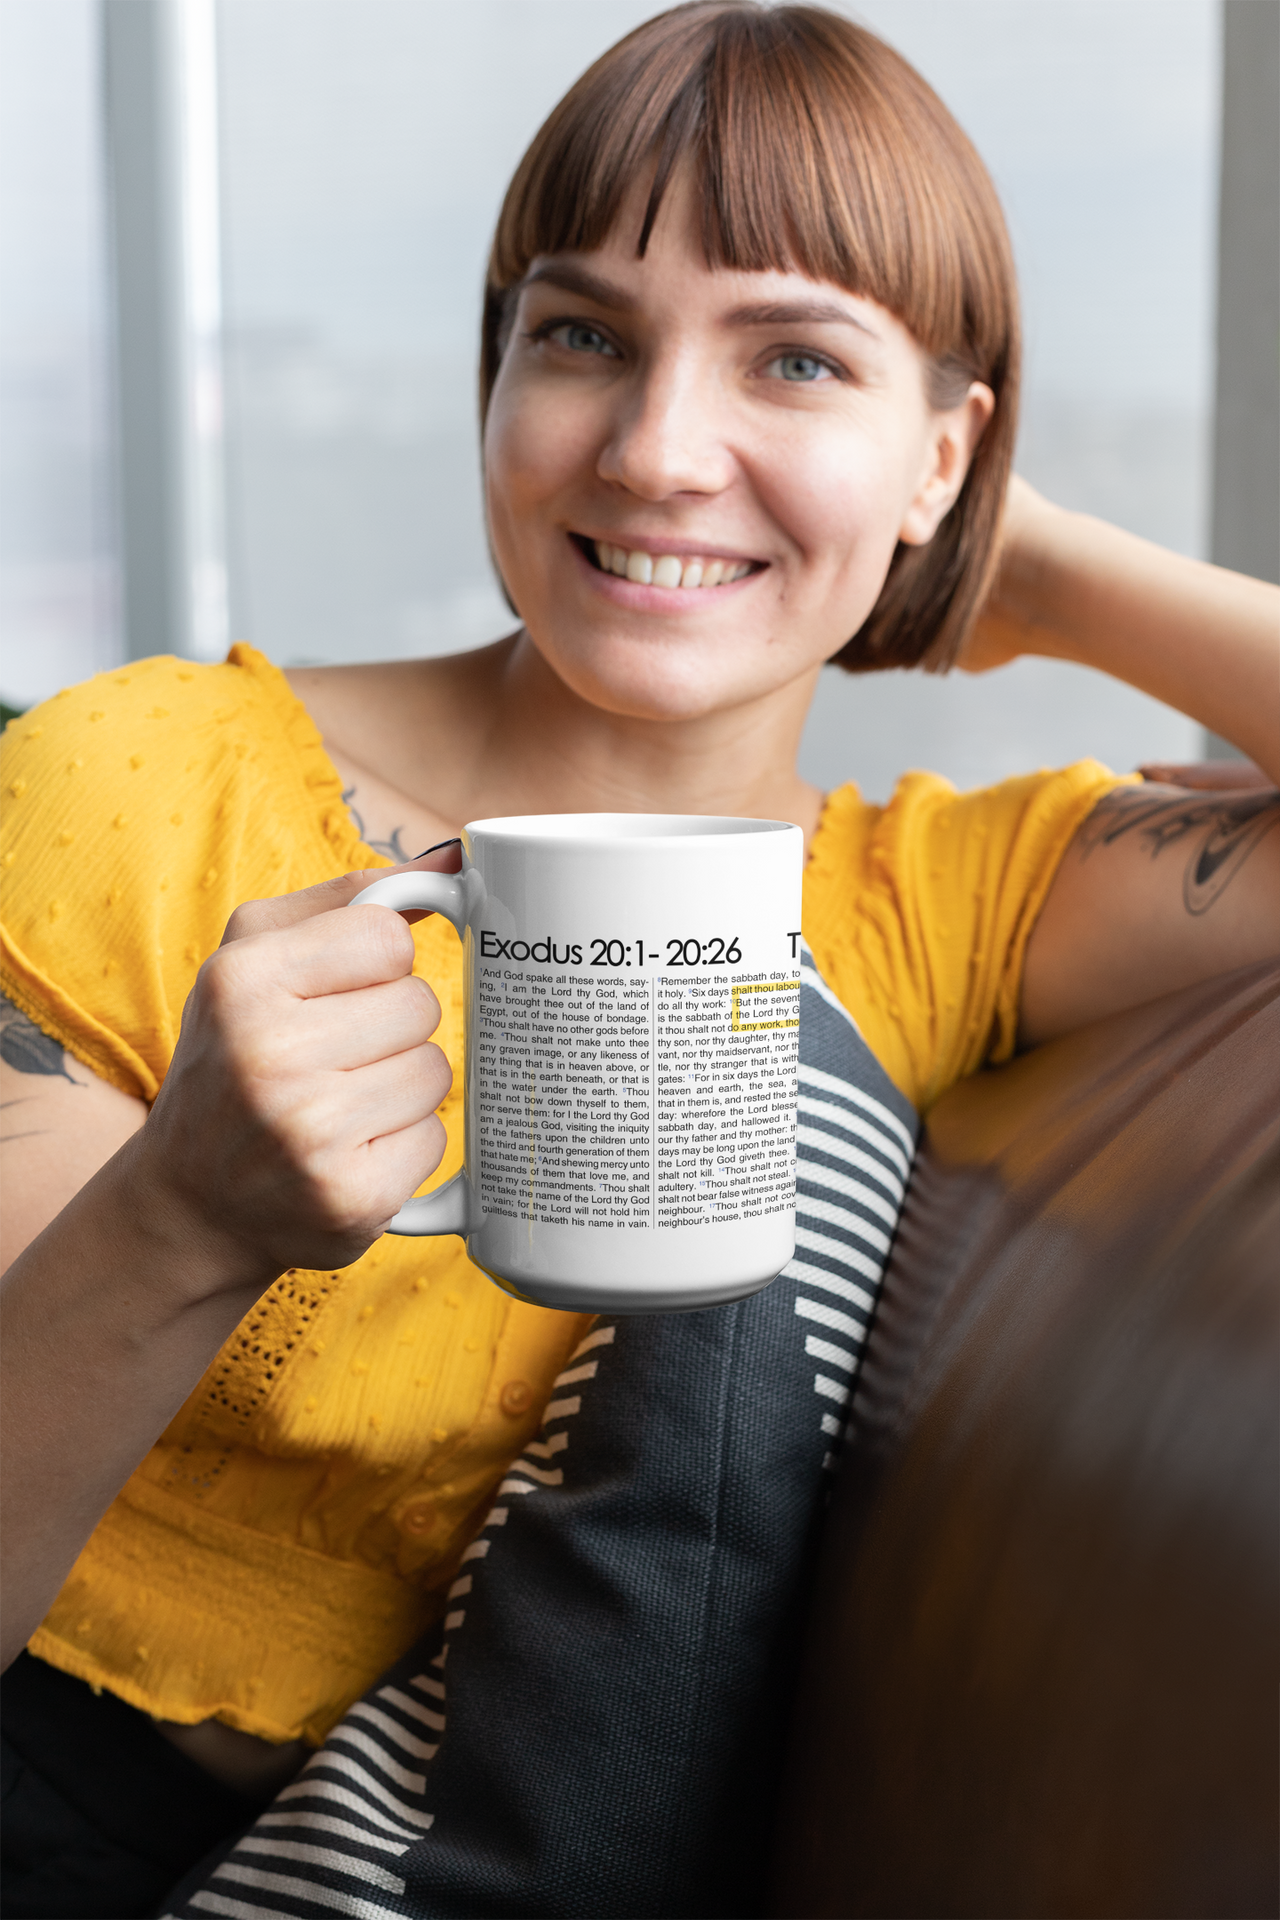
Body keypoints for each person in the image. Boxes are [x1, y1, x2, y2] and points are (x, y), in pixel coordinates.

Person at [2, 3, 1277, 1913]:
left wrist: (1034, 564)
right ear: (497, 381)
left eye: (797, 361)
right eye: (584, 335)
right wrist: (181, 1217)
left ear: (947, 451)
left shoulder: (940, 907)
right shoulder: (139, 780)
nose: (664, 449)